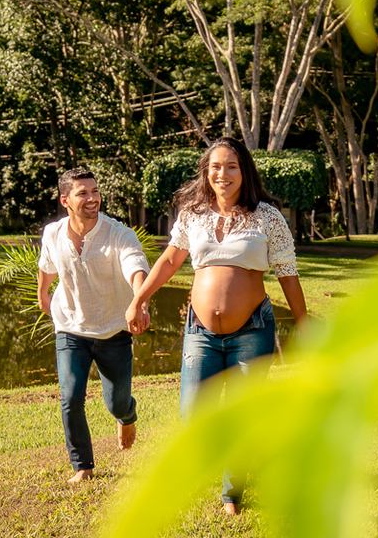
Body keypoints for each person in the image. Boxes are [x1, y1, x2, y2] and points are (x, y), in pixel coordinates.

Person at [125, 137, 307, 515]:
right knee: (192, 414)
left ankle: (231, 495)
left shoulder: (267, 217)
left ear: (245, 172)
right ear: (206, 173)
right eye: (216, 167)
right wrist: (139, 298)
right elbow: (170, 261)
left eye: (231, 166)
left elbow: (287, 273)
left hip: (252, 330)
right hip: (200, 332)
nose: (223, 174)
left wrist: (303, 323)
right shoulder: (193, 215)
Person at [38, 168, 151, 484]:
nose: (92, 198)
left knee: (117, 402)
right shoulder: (53, 233)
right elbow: (47, 265)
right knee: (71, 397)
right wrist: (43, 293)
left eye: (95, 191)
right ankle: (82, 466)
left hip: (113, 329)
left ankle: (127, 416)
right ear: (65, 200)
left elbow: (136, 267)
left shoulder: (119, 234)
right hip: (70, 327)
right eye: (83, 193)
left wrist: (140, 302)